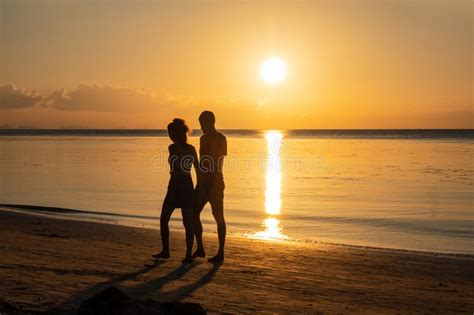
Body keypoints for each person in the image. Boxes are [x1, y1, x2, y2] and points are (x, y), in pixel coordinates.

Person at [153, 118, 199, 264]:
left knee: (186, 221)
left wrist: (198, 188)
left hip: (181, 186)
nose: (169, 136)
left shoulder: (182, 149)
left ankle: (187, 254)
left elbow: (196, 169)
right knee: (165, 219)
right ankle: (167, 251)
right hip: (178, 185)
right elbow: (191, 169)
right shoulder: (176, 148)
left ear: (176, 134)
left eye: (171, 133)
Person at [193, 111, 227, 263]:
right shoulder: (202, 138)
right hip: (203, 182)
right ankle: (200, 248)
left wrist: (211, 184)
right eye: (200, 124)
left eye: (203, 123)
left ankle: (220, 252)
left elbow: (218, 163)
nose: (201, 127)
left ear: (211, 122)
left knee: (218, 216)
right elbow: (202, 162)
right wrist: (200, 183)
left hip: (215, 182)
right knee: (193, 213)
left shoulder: (221, 138)